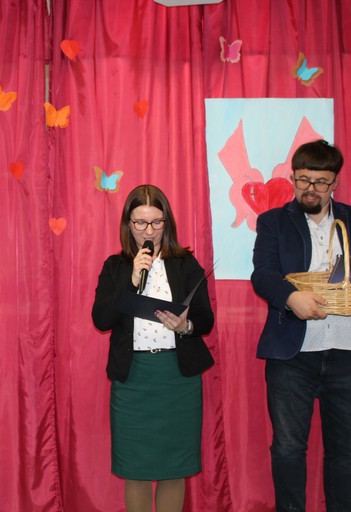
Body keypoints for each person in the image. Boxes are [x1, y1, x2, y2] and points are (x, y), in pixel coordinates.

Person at [251, 140, 351, 511]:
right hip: (292, 356)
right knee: (288, 449)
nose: (311, 189)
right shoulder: (273, 222)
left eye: (321, 182)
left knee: (345, 454)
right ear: (293, 178)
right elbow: (263, 274)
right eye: (303, 180)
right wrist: (291, 297)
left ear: (335, 183)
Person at [92, 184, 215, 512]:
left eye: (156, 222)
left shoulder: (185, 263)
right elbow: (101, 319)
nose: (149, 231)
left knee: (174, 469)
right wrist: (132, 281)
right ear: (127, 224)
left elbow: (205, 319)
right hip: (134, 379)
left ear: (167, 222)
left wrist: (185, 327)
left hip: (177, 378)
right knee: (136, 470)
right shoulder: (116, 267)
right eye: (140, 223)